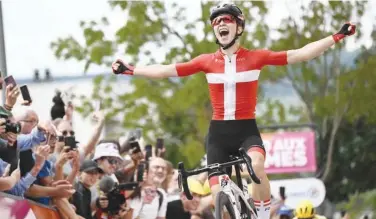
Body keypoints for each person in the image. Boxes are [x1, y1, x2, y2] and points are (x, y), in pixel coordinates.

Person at [111, 3, 356, 219]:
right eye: (216, 22)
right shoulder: (206, 61)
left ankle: (261, 215)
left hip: (245, 129)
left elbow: (300, 54)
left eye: (226, 19)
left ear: (238, 27)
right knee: (218, 194)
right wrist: (131, 69)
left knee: (257, 166)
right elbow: (165, 70)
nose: (220, 24)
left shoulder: (256, 57)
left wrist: (336, 37)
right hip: (218, 134)